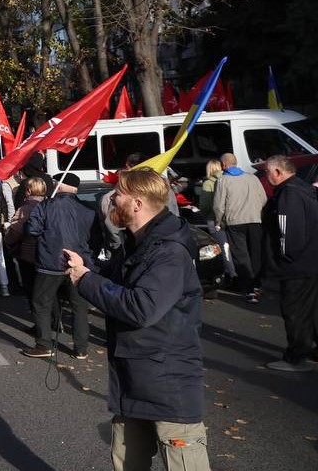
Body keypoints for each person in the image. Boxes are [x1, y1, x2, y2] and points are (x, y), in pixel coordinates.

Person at [65, 168, 211, 471]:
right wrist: (84, 267)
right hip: (133, 379)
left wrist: (86, 281)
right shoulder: (139, 242)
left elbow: (142, 307)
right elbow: (119, 280)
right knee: (126, 459)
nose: (112, 199)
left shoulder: (169, 251)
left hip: (168, 381)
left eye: (118, 194)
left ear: (137, 203)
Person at [22, 172, 97, 359]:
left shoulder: (46, 206)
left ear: (59, 185)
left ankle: (44, 344)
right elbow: (96, 238)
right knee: (79, 306)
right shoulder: (88, 209)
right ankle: (81, 348)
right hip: (78, 263)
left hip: (51, 262)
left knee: (41, 302)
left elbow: (32, 230)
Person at [261, 155, 318, 371]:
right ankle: (307, 350)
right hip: (310, 261)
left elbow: (288, 231)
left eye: (267, 173)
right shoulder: (303, 188)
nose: (266, 177)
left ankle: (296, 356)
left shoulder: (288, 193)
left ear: (278, 172)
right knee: (312, 309)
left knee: (295, 310)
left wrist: (285, 256)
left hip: (296, 266)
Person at [213, 152, 269, 301]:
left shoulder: (223, 181)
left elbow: (218, 206)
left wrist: (219, 222)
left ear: (223, 165)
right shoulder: (253, 178)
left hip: (235, 222)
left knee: (241, 256)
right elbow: (263, 198)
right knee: (256, 253)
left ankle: (249, 288)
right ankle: (258, 285)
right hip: (255, 220)